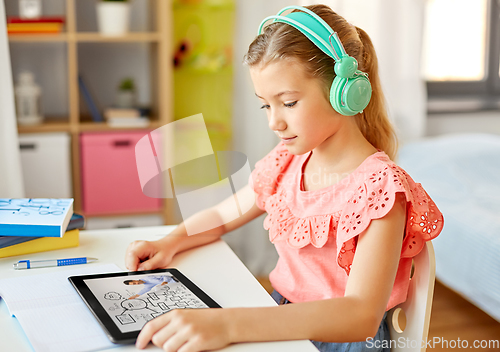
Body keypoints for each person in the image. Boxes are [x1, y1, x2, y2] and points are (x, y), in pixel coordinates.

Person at [125, 4, 444, 352]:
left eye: (288, 103)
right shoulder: (287, 163)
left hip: (342, 340)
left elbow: (360, 314)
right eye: (266, 105)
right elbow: (220, 216)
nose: (273, 122)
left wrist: (229, 323)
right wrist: (170, 241)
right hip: (281, 317)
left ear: (346, 93)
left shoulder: (380, 189)